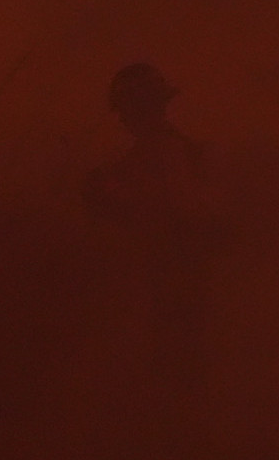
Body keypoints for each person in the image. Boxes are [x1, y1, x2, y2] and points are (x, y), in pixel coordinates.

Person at [83, 62, 223, 386]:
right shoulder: (161, 151)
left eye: (127, 109)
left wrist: (110, 196)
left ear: (139, 108)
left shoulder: (163, 153)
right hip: (171, 271)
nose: (122, 118)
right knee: (176, 354)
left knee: (177, 359)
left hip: (176, 271)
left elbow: (178, 209)